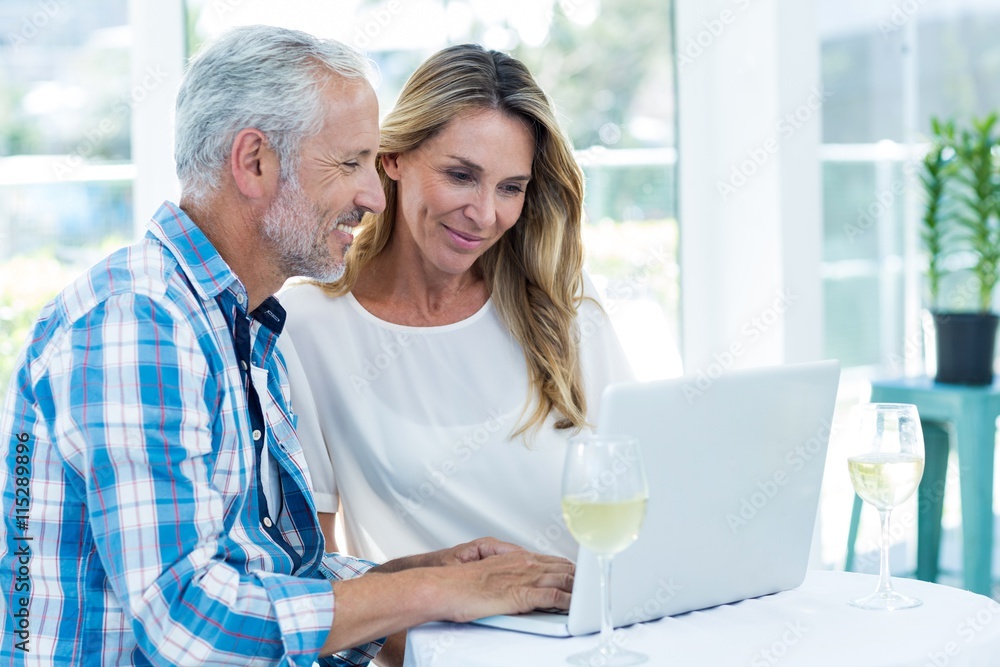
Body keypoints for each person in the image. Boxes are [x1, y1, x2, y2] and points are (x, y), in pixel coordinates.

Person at [0, 26, 573, 667]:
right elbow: (193, 625)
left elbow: (261, 575)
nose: (374, 197)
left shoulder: (236, 323)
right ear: (255, 162)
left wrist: (420, 574)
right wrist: (435, 590)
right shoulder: (137, 324)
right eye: (350, 162)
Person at [281, 44, 633, 564]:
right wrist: (421, 647)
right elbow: (315, 568)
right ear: (393, 159)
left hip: (586, 633)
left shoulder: (561, 300)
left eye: (510, 187)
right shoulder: (307, 325)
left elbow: (635, 481)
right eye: (461, 176)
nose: (484, 214)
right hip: (431, 644)